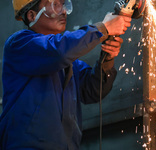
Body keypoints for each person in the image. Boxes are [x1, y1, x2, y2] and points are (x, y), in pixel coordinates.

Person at [0, 0, 131, 149]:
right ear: (32, 15)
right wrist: (103, 28)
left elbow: (93, 91)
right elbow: (58, 51)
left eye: (63, 5)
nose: (63, 11)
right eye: (55, 4)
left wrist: (107, 57)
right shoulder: (19, 44)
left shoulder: (70, 65)